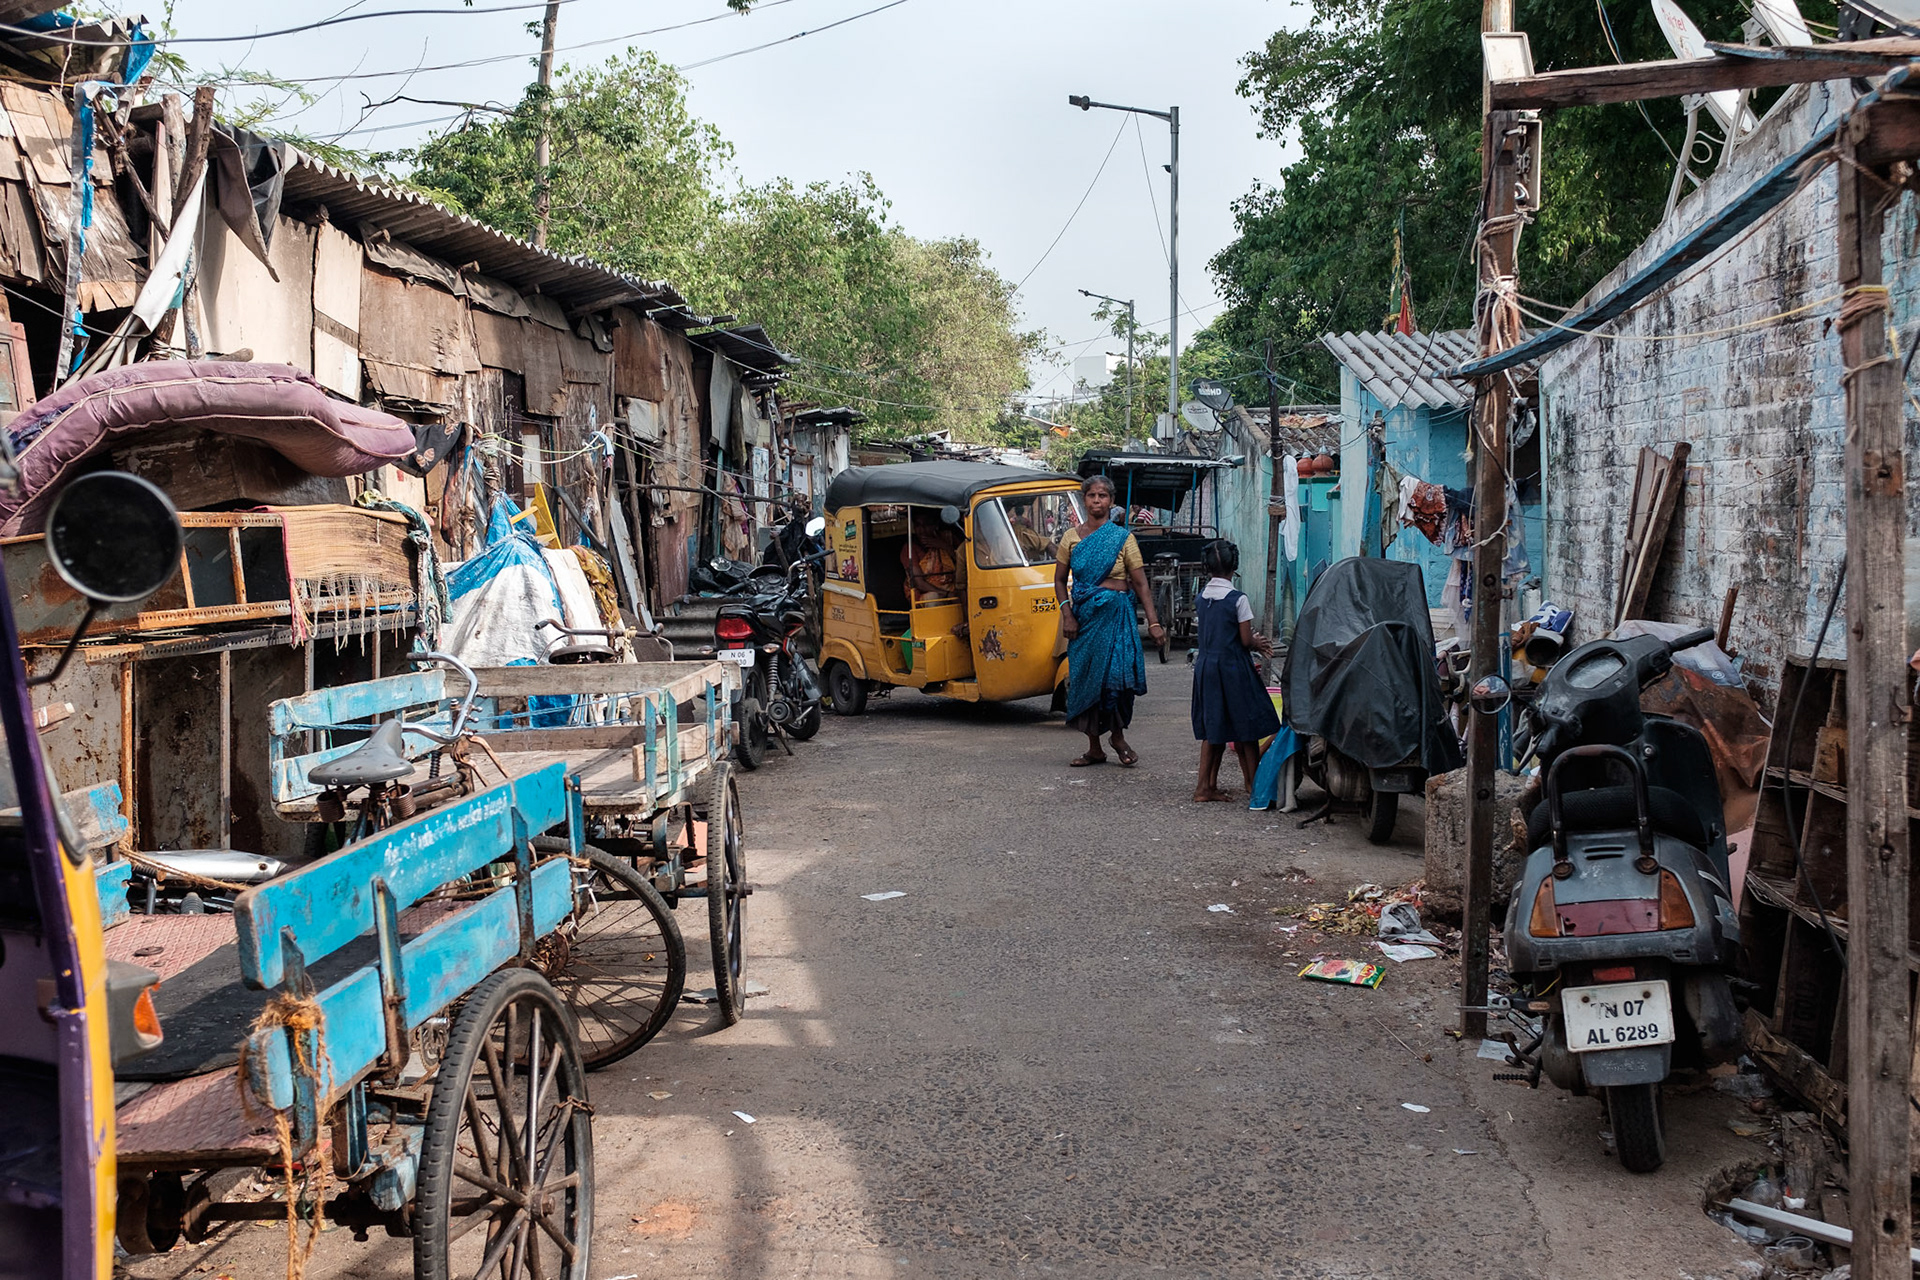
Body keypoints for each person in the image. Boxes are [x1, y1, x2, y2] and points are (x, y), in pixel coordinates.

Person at [1054, 475, 1165, 767]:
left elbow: (1141, 583)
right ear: (1085, 500)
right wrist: (1067, 614)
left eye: (1102, 496)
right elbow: (1058, 580)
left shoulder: (1123, 538)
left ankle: (1117, 737)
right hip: (1084, 620)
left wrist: (1153, 622)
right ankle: (1094, 748)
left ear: (1111, 502)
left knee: (1116, 680)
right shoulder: (1070, 538)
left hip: (1117, 617)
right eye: (1091, 496)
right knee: (1086, 679)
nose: (1096, 501)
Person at [1190, 539, 1279, 801]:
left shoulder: (1201, 597)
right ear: (1234, 567)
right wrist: (1257, 641)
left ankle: (1205, 786)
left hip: (1206, 667)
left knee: (1213, 728)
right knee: (1247, 727)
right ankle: (1253, 785)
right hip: (1233, 668)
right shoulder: (1238, 599)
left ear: (1207, 567)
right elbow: (1243, 639)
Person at [901, 511, 960, 603]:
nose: (922, 530)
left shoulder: (948, 539)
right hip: (927, 592)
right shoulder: (910, 548)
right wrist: (945, 593)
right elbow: (918, 582)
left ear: (935, 525)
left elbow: (965, 564)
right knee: (933, 598)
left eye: (927, 525)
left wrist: (945, 547)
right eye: (918, 525)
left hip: (953, 586)